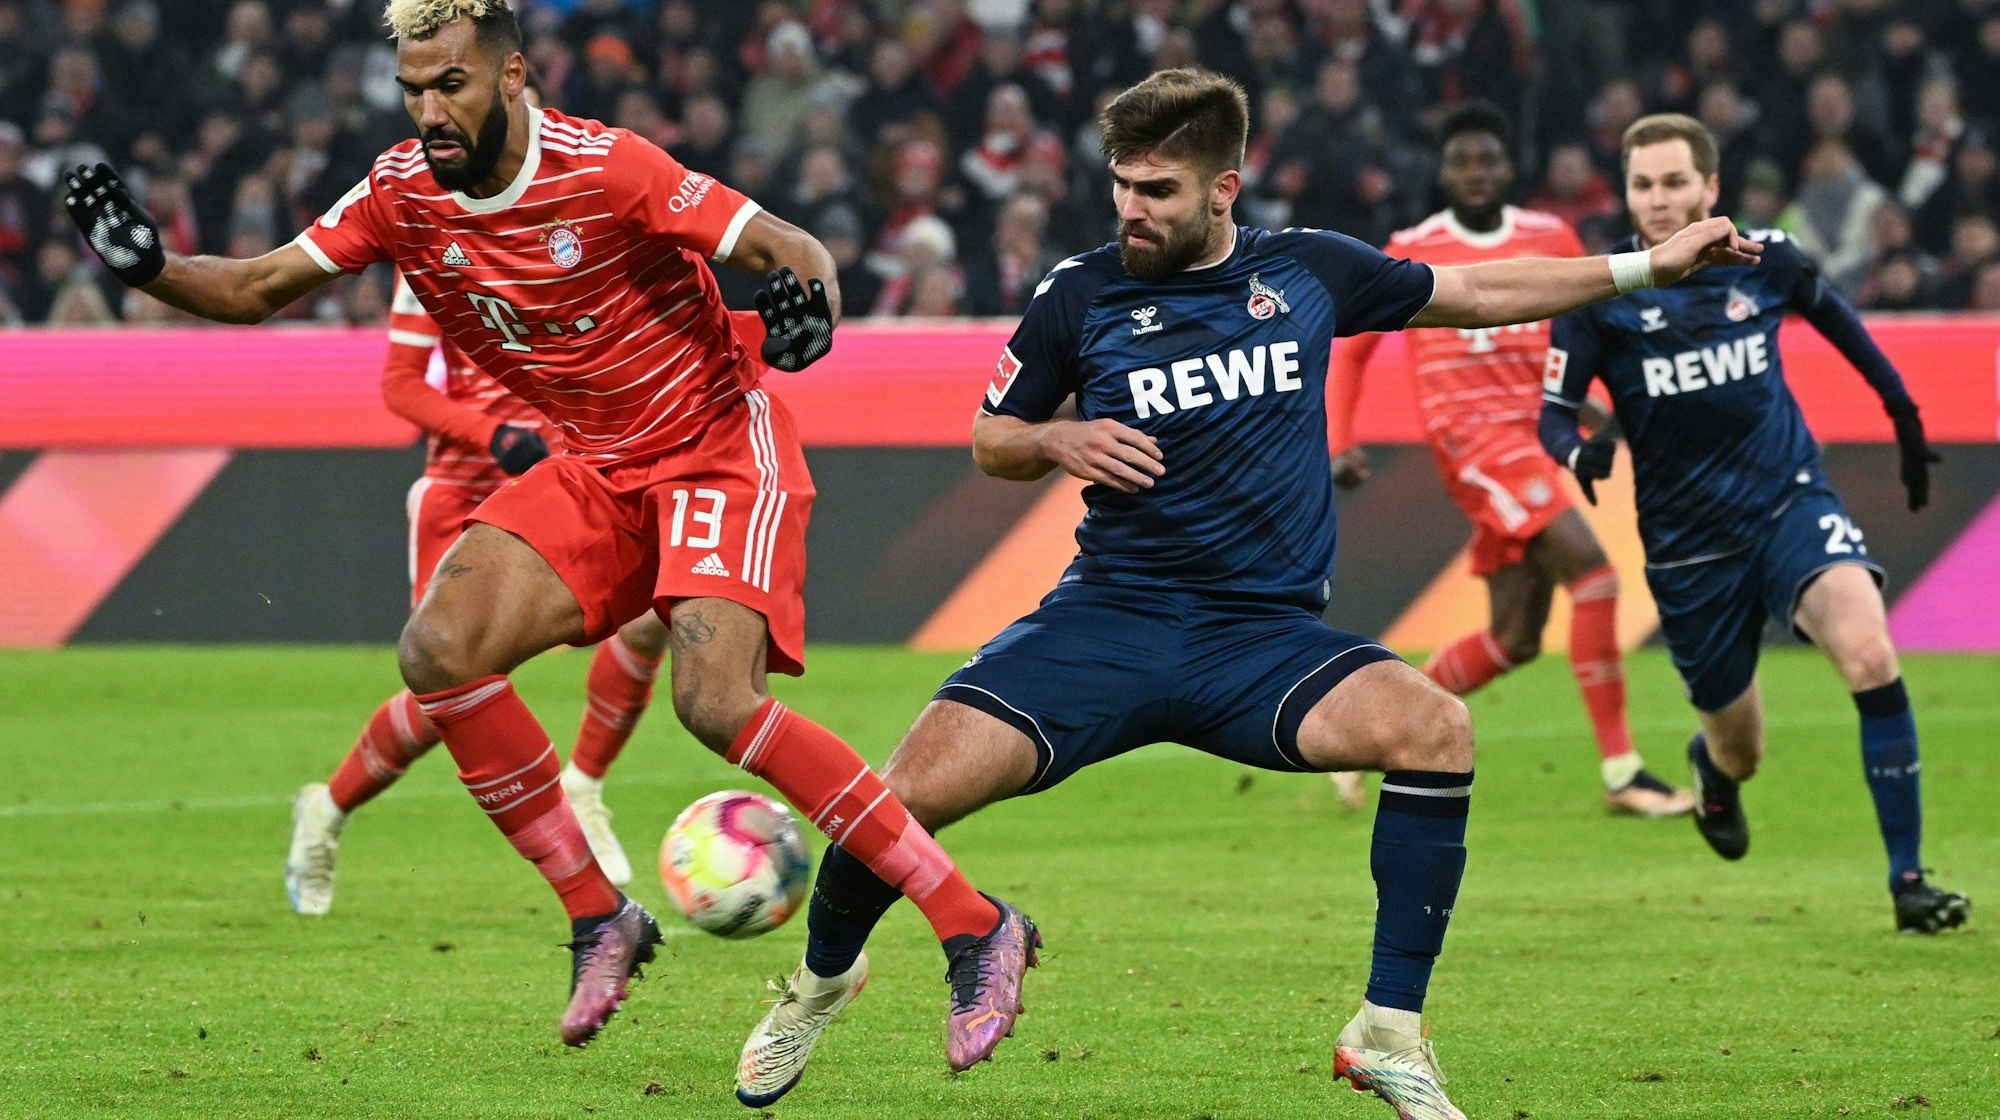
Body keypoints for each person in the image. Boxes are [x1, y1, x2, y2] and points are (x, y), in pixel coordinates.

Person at [731, 68, 1761, 1118]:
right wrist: (1052, 436)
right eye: (1122, 184)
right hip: (1108, 621)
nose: (1132, 208)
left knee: (1435, 729)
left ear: (1224, 188)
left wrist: (1646, 265)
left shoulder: (1308, 272)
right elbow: (989, 437)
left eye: (1159, 191)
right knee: (891, 799)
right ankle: (819, 985)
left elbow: (1477, 292)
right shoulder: (1078, 294)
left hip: (1257, 640)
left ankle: (1385, 1034)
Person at [65, 0, 1034, 1060]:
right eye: (413, 89)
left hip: (712, 440)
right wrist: (147, 268)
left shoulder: (608, 166)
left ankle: (974, 926)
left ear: (512, 75)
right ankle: (597, 914)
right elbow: (255, 286)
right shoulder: (398, 192)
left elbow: (786, 243)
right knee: (439, 649)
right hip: (594, 469)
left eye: (452, 85)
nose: (430, 110)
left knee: (714, 701)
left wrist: (805, 308)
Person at [1540, 113, 1971, 935]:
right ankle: (1715, 769)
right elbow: (1554, 413)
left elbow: (1836, 315)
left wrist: (1903, 413)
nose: (1659, 200)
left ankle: (1908, 879)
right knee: (1742, 749)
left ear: (1710, 189)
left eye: (1674, 182)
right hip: (1687, 548)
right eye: (1643, 184)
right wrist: (1577, 454)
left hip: (1787, 502)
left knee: (1871, 651)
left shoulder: (1766, 258)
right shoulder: (1604, 291)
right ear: (1627, 193)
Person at [1328, 103, 1693, 819]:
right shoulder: (1413, 244)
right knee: (1593, 574)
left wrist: (1586, 405)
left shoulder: (1549, 235)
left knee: (1516, 636)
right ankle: (1623, 771)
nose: (1474, 173)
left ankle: (1369, 732)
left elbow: (1572, 327)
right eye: (1461, 160)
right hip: (1472, 442)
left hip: (1534, 439)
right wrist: (1341, 439)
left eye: (1487, 159)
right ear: (1442, 170)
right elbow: (1355, 346)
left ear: (1506, 165)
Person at [283, 268, 670, 915]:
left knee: (657, 612)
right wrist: (493, 436)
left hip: (567, 487)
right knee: (449, 696)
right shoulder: (436, 254)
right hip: (464, 493)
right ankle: (327, 806)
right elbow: (400, 384)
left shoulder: (579, 238)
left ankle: (585, 782)